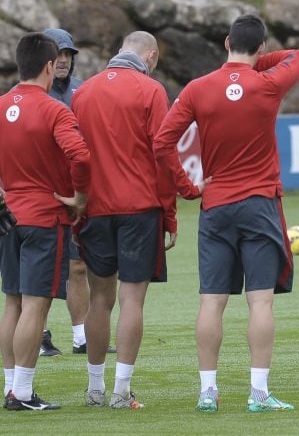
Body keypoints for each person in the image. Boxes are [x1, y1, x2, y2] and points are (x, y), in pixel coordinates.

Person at [153, 14, 299, 412]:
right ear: (261, 46)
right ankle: (259, 393)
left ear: (225, 42)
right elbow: (298, 55)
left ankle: (207, 391)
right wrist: (256, 63)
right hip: (259, 204)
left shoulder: (198, 88)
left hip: (216, 205)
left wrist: (188, 188)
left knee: (211, 301)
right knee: (261, 302)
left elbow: (162, 143)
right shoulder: (268, 83)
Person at [71, 31, 177, 410]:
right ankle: (121, 391)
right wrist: (170, 214)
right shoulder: (151, 91)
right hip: (139, 209)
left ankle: (94, 388)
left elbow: (75, 154)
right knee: (133, 300)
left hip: (96, 208)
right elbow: (162, 154)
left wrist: (77, 208)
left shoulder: (83, 92)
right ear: (150, 57)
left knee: (99, 299)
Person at [0, 32, 90, 410]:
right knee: (35, 305)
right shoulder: (55, 110)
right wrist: (80, 197)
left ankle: (10, 387)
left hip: (8, 217)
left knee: (12, 303)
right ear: (50, 67)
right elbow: (81, 156)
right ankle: (21, 393)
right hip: (44, 217)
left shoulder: (1, 105)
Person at [37, 28, 114, 357]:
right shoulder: (29, 93)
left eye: (68, 54)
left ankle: (82, 337)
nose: (64, 60)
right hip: (43, 192)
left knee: (79, 265)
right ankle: (39, 334)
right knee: (39, 268)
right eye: (58, 54)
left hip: (79, 193)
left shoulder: (84, 90)